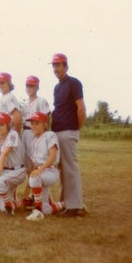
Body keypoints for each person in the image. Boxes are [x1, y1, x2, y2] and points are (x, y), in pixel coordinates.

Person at [50, 53, 87, 217]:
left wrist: (76, 129)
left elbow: (81, 107)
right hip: (57, 131)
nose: (55, 68)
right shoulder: (57, 87)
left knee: (70, 168)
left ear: (66, 66)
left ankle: (75, 206)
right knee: (62, 169)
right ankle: (67, 202)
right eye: (53, 65)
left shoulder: (74, 83)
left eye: (58, 65)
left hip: (68, 130)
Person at [25, 112, 65, 221]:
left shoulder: (50, 135)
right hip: (41, 172)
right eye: (32, 123)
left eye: (37, 123)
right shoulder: (33, 141)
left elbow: (52, 156)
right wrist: (35, 171)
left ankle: (37, 210)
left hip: (50, 171)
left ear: (44, 125)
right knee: (46, 210)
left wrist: (39, 170)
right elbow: (34, 163)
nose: (33, 126)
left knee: (34, 178)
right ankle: (65, 204)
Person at [0, 112, 26, 216]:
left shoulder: (12, 134)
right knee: (1, 208)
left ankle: (9, 205)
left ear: (8, 125)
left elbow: (4, 155)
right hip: (5, 170)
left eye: (1, 124)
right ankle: (25, 201)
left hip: (17, 170)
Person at [21, 75, 50, 204]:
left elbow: (46, 119)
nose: (29, 88)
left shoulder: (41, 101)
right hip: (25, 133)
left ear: (37, 87)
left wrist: (44, 136)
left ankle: (34, 195)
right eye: (27, 85)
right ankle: (32, 195)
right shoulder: (24, 104)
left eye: (32, 85)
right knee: (28, 164)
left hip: (35, 133)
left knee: (36, 162)